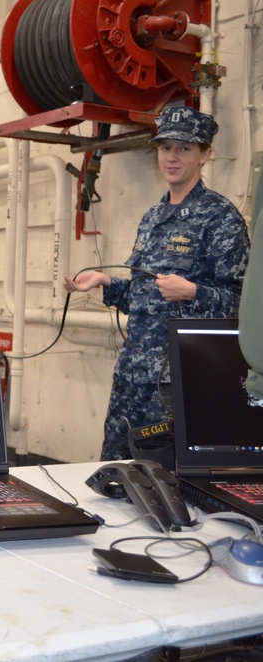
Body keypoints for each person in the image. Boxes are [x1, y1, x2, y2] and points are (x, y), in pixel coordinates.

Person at [64, 107, 250, 461]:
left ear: (205, 155)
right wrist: (106, 282)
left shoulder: (221, 218)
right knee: (117, 473)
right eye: (165, 148)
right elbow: (144, 296)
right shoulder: (153, 217)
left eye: (184, 149)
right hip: (133, 377)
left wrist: (193, 292)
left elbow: (240, 307)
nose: (172, 157)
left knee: (167, 480)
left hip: (178, 382)